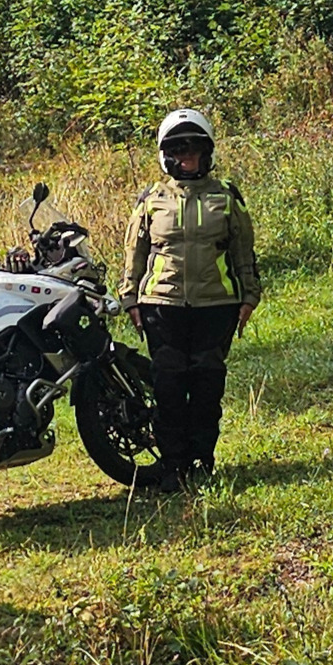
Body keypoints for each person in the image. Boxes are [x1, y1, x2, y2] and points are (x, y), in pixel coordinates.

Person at [119, 108, 261, 491]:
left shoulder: (227, 196)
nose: (187, 157)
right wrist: (130, 300)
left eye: (194, 150)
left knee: (206, 386)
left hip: (216, 307)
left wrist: (249, 296)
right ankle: (172, 466)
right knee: (167, 387)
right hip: (161, 307)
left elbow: (243, 251)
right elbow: (135, 252)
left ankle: (202, 461)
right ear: (166, 155)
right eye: (179, 150)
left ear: (206, 153)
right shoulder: (150, 199)